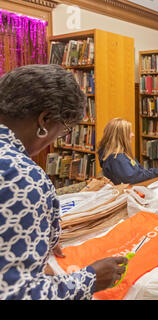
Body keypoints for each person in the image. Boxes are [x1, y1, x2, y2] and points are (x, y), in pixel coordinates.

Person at [0, 64, 127, 300]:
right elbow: (16, 294)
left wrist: (35, 236)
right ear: (45, 120)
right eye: (62, 132)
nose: (53, 141)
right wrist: (91, 278)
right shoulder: (20, 176)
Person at [98, 118, 158, 185]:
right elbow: (135, 178)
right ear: (121, 136)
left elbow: (138, 173)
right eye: (129, 132)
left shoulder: (119, 154)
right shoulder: (117, 159)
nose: (133, 135)